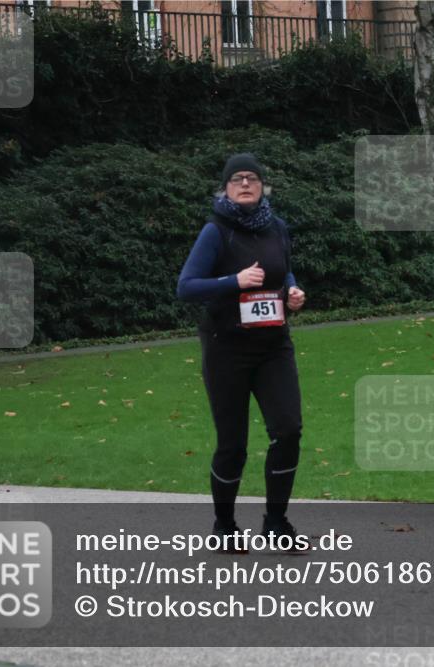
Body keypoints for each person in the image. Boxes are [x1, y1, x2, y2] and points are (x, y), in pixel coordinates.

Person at [176, 153, 307, 554]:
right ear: (226, 189)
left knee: (288, 430)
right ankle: (225, 526)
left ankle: (276, 523)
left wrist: (292, 291)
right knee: (233, 443)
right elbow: (186, 287)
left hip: (273, 346)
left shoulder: (277, 227)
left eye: (252, 178)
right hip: (226, 348)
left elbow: (283, 270)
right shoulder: (215, 231)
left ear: (263, 186)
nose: (245, 183)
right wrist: (234, 281)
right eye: (237, 179)